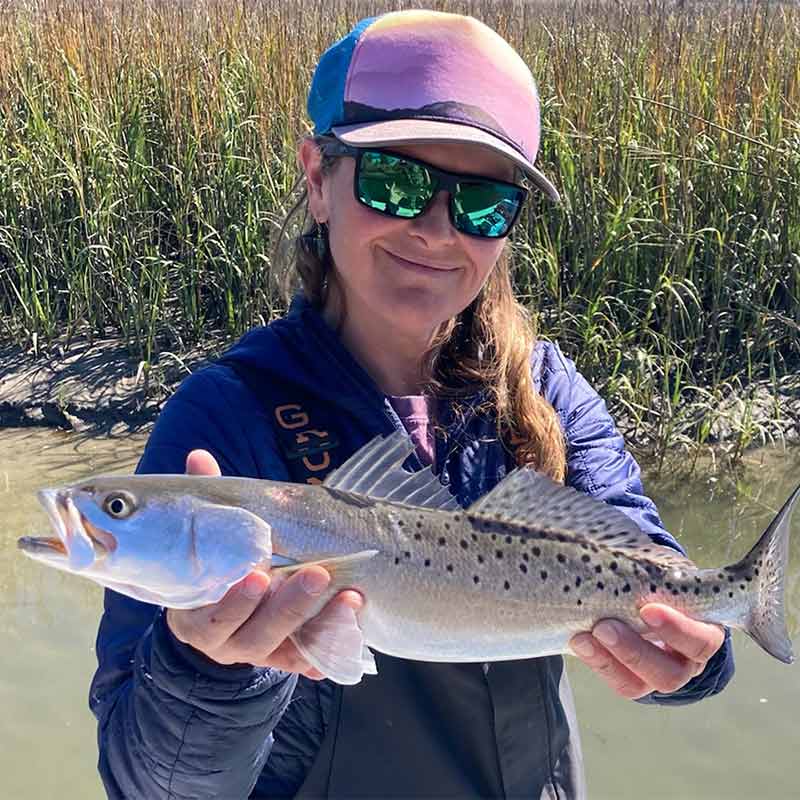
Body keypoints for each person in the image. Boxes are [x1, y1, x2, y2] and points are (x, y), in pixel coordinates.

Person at [89, 10, 734, 799]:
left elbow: (664, 575)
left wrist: (694, 658)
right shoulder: (226, 416)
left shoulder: (549, 391)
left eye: (483, 202)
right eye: (396, 181)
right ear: (318, 179)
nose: (435, 228)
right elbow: (143, 781)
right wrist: (204, 669)